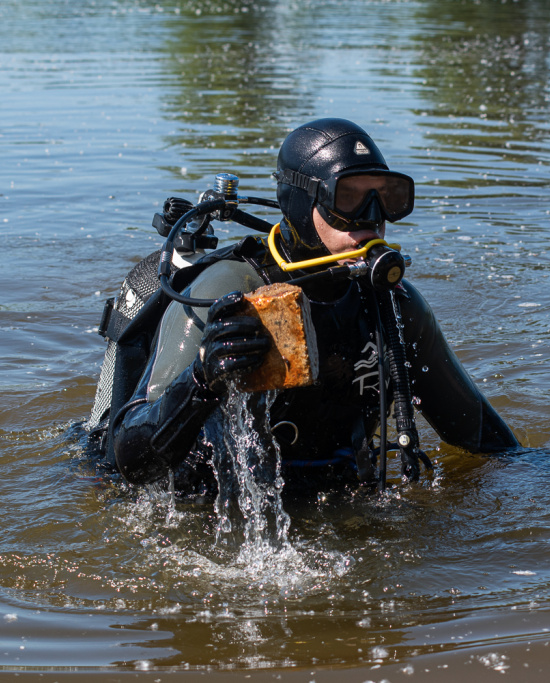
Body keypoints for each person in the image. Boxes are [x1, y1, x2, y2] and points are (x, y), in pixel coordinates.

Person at [96, 118, 519, 492]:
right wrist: (202, 382)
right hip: (211, 500)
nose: (370, 219)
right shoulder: (229, 292)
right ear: (302, 204)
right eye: (349, 199)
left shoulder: (395, 306)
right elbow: (133, 463)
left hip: (335, 495)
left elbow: (481, 435)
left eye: (385, 197)